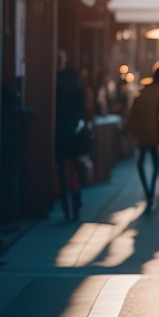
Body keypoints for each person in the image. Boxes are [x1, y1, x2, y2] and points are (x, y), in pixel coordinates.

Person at [127, 61, 159, 206]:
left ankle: (148, 191)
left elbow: (132, 112)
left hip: (141, 133)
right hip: (154, 133)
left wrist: (131, 131)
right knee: (155, 162)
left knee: (141, 162)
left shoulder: (142, 90)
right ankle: (151, 191)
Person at [55, 49, 91, 220]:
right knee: (72, 170)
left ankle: (65, 203)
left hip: (58, 128)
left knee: (62, 168)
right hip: (74, 128)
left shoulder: (53, 81)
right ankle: (75, 198)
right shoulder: (74, 81)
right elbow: (82, 107)